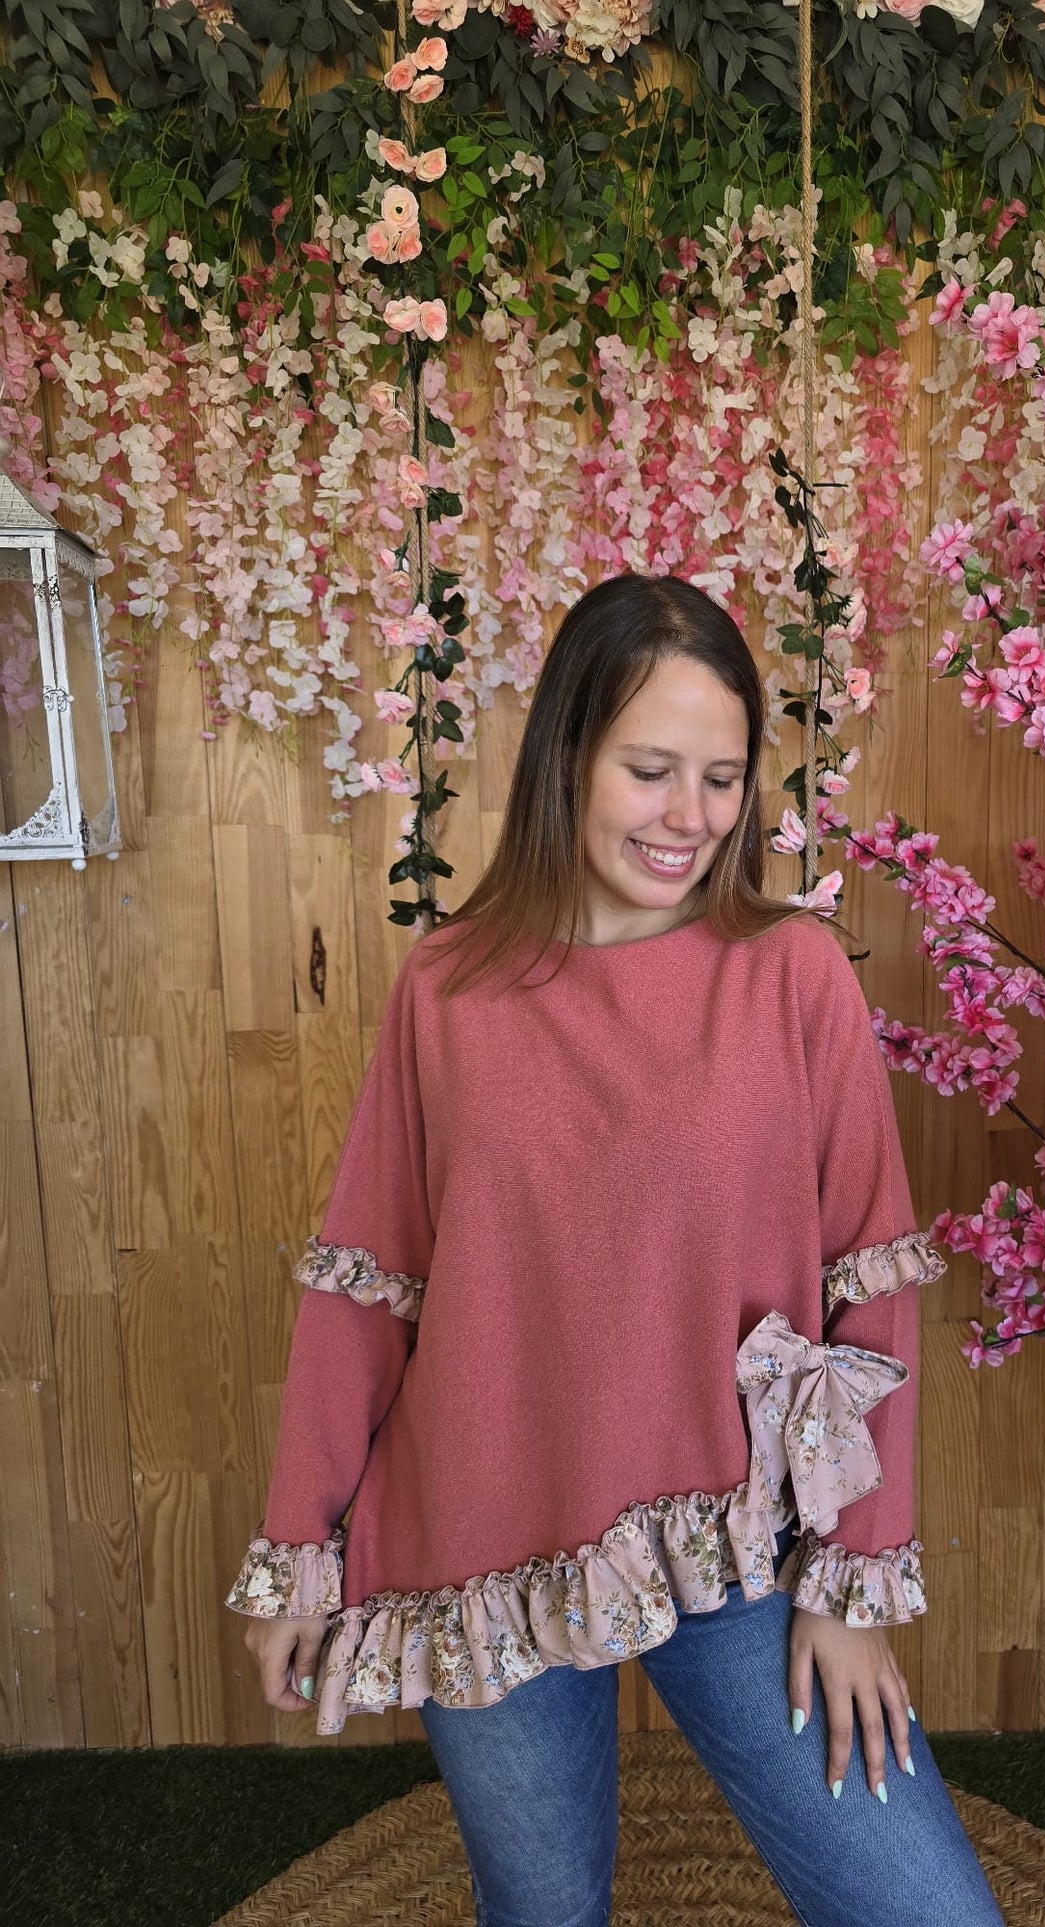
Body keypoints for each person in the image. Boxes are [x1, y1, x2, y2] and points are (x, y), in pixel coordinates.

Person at [227, 572, 1005, 1926]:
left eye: (721, 777)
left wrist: (851, 1587)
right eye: (651, 770)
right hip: (480, 1540)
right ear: (567, 756)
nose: (691, 818)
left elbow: (867, 1293)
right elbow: (368, 1287)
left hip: (736, 1545)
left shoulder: (793, 976)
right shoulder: (448, 991)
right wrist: (300, 1547)